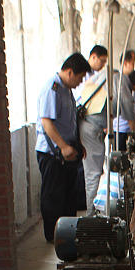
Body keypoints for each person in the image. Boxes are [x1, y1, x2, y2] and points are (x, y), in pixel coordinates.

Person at [36, 52, 91, 242]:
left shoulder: (66, 90)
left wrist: (77, 144)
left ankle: (68, 233)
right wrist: (63, 147)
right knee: (53, 196)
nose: (80, 81)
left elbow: (69, 122)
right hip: (52, 154)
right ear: (69, 72)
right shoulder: (52, 89)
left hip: (67, 150)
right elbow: (46, 123)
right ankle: (53, 236)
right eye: (80, 77)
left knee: (69, 195)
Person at [75, 44, 108, 212]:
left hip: (88, 128)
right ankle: (89, 212)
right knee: (92, 173)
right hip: (88, 128)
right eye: (101, 61)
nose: (103, 65)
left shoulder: (95, 77)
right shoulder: (86, 80)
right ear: (93, 57)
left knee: (90, 172)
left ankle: (88, 207)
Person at [112, 49, 135, 150]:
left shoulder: (129, 80)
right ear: (125, 63)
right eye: (133, 63)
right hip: (121, 129)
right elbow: (127, 105)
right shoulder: (120, 80)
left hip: (126, 129)